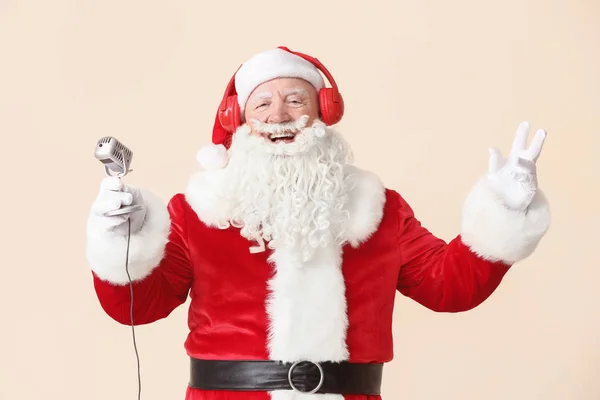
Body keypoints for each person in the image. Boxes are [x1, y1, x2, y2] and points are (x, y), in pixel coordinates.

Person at [85, 46, 551, 400]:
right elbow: (139, 307)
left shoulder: (379, 209)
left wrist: (504, 211)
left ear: (323, 112)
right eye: (261, 104)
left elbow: (449, 288)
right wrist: (121, 240)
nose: (279, 116)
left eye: (295, 100)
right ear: (239, 120)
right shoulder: (198, 210)